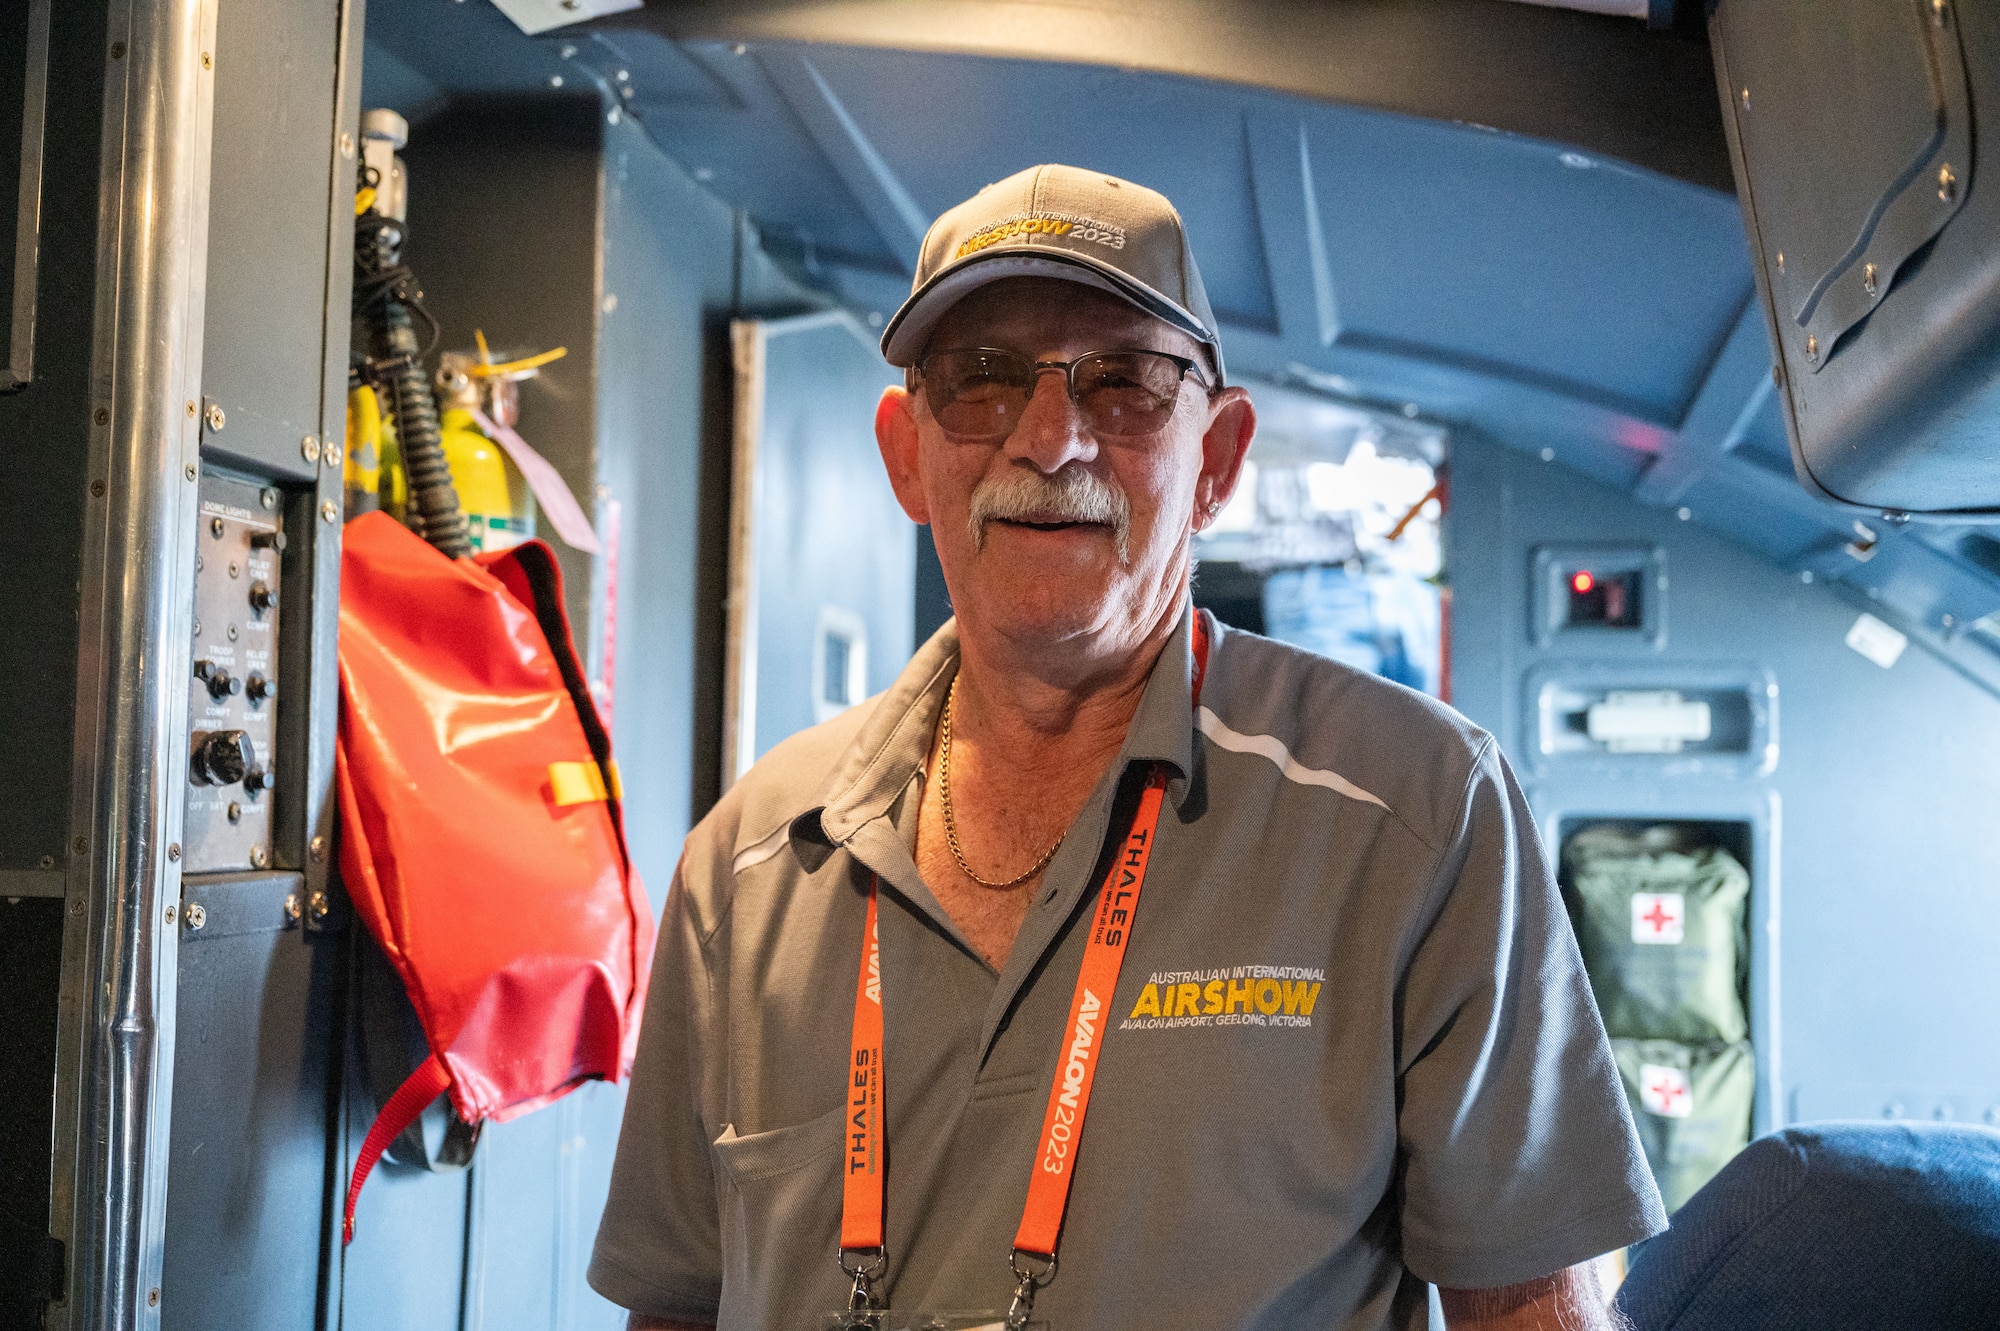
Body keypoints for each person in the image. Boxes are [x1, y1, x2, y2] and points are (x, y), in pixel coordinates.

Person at [589, 164, 1665, 1331]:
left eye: (1125, 386)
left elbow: (1528, 1309)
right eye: (982, 381)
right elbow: (675, 1308)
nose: (1049, 441)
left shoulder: (1416, 814)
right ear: (907, 452)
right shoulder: (747, 860)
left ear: (1216, 456)